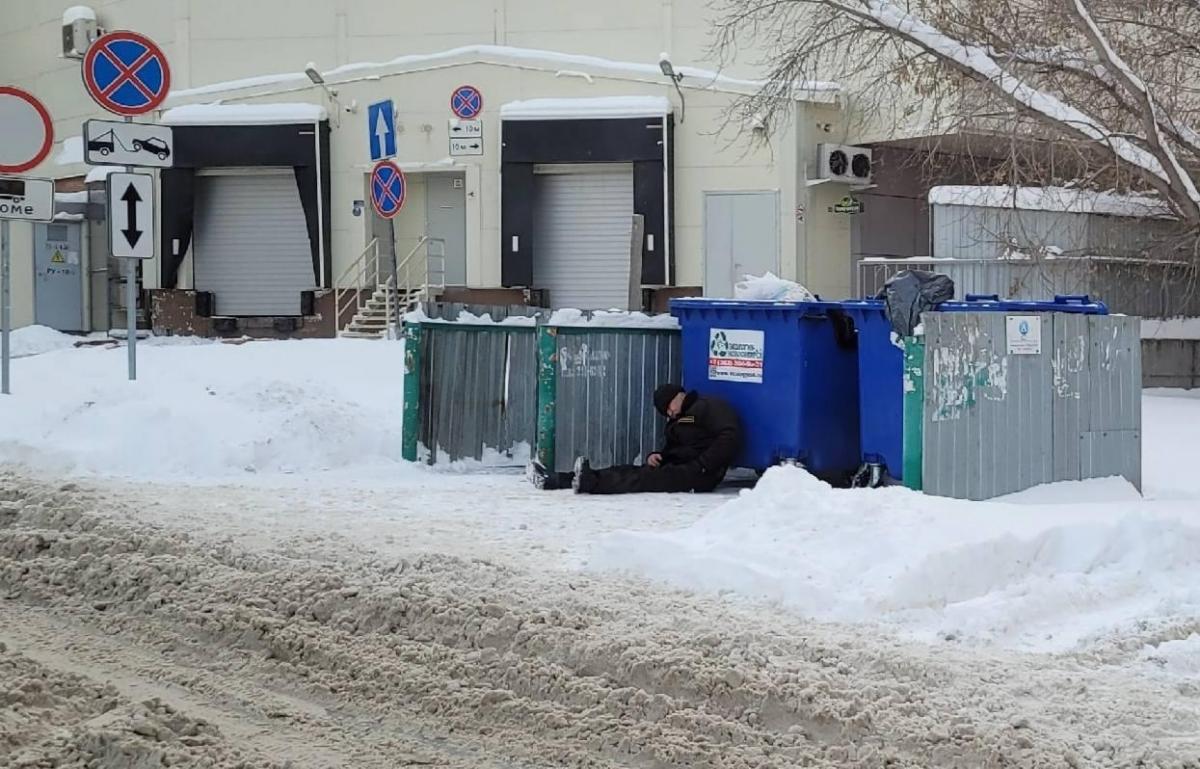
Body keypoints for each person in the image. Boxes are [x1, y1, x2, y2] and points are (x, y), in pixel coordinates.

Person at [526, 383, 742, 494]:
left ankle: (590, 483)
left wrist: (703, 466)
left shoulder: (707, 407)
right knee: (629, 470)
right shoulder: (682, 420)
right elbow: (676, 447)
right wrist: (657, 456)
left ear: (677, 396)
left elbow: (729, 436)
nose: (670, 414)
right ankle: (558, 480)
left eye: (668, 409)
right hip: (681, 465)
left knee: (641, 480)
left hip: (699, 474)